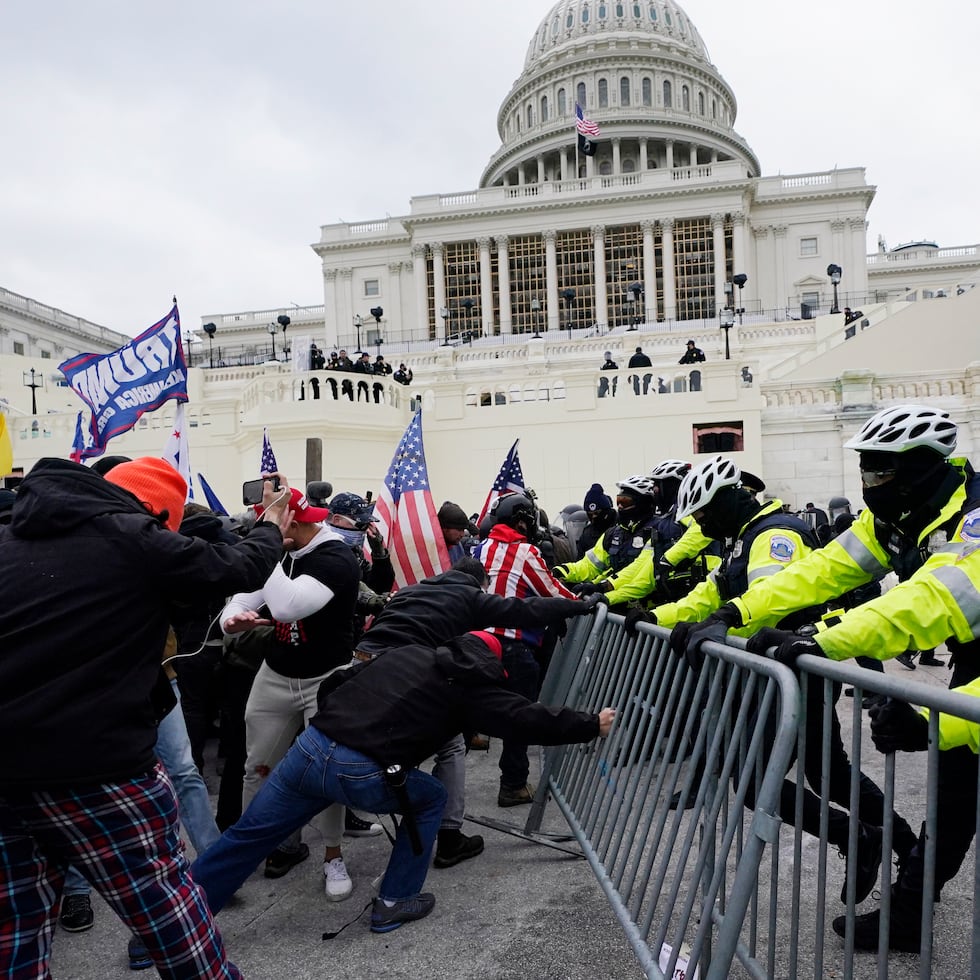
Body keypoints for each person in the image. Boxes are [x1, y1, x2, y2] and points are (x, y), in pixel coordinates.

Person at [680, 405, 976, 953]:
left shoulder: (973, 519)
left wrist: (824, 636)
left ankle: (898, 879)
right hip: (974, 658)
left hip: (967, 641)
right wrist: (737, 613)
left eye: (880, 473)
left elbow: (935, 600)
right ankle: (909, 908)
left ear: (921, 469)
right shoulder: (900, 518)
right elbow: (820, 571)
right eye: (864, 472)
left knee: (943, 775)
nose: (869, 486)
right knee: (954, 792)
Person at [0, 457, 291, 979]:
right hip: (99, 770)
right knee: (173, 923)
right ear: (155, 513)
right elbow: (237, 567)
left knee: (13, 936)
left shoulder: (9, 537)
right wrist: (271, 523)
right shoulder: (130, 535)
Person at [191, 630, 615, 933]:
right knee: (432, 797)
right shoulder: (472, 689)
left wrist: (340, 723)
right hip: (359, 770)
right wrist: (590, 725)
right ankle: (394, 901)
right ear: (491, 666)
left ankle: (173, 922)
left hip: (309, 748)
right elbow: (525, 719)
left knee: (249, 834)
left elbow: (339, 681)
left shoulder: (408, 653)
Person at [627, 456, 913, 901]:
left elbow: (768, 602)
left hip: (793, 670)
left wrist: (723, 626)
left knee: (762, 776)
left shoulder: (774, 535)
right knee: (825, 773)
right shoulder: (743, 538)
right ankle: (897, 845)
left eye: (704, 513)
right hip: (779, 674)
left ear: (728, 499)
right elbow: (712, 595)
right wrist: (656, 617)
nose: (700, 524)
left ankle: (866, 839)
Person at [355, 556, 599, 867]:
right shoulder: (468, 595)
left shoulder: (410, 591)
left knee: (345, 740)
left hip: (361, 663)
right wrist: (578, 605)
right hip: (401, 669)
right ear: (479, 583)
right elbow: (525, 610)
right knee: (452, 746)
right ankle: (449, 836)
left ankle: (304, 844)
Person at [221, 484, 361, 901]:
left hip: (326, 676)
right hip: (278, 673)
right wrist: (235, 616)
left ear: (292, 525)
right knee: (257, 767)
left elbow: (285, 606)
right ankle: (251, 852)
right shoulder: (283, 552)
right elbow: (244, 594)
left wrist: (266, 544)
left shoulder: (336, 557)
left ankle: (332, 855)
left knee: (327, 770)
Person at [475, 492, 583, 806]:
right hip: (512, 647)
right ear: (523, 520)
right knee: (518, 717)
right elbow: (552, 591)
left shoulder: (478, 548)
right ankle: (513, 784)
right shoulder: (525, 552)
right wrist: (584, 603)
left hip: (474, 643)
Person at [554, 474, 661, 591]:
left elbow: (638, 573)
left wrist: (602, 587)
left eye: (625, 502)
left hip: (645, 601)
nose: (620, 507)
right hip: (612, 598)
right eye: (618, 501)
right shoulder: (613, 533)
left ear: (643, 503)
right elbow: (589, 565)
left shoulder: (659, 530)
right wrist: (562, 571)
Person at [578, 483, 616, 559]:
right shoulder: (587, 534)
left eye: (597, 513)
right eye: (590, 514)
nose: (594, 517)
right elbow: (580, 560)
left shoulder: (622, 525)